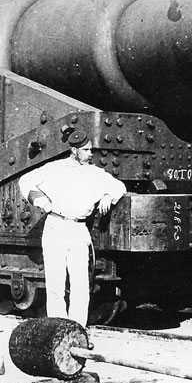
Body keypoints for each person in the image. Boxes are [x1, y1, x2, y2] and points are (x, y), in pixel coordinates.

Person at [18, 128, 126, 327]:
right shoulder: (55, 168)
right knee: (56, 282)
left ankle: (77, 327)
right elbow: (25, 181)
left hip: (78, 229)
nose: (91, 154)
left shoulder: (95, 173)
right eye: (86, 150)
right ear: (74, 151)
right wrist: (41, 201)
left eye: (90, 150)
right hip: (56, 226)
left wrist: (108, 196)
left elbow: (119, 186)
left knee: (80, 283)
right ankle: (57, 326)